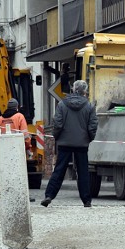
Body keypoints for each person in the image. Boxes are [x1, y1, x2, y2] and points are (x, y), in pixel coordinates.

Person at [42, 80, 98, 208]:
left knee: (59, 170)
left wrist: (57, 137)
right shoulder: (89, 106)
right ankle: (86, 201)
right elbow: (93, 125)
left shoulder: (62, 104)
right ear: (85, 91)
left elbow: (57, 123)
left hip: (64, 142)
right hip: (82, 144)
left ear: (73, 89)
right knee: (83, 172)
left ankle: (49, 195)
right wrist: (88, 138)